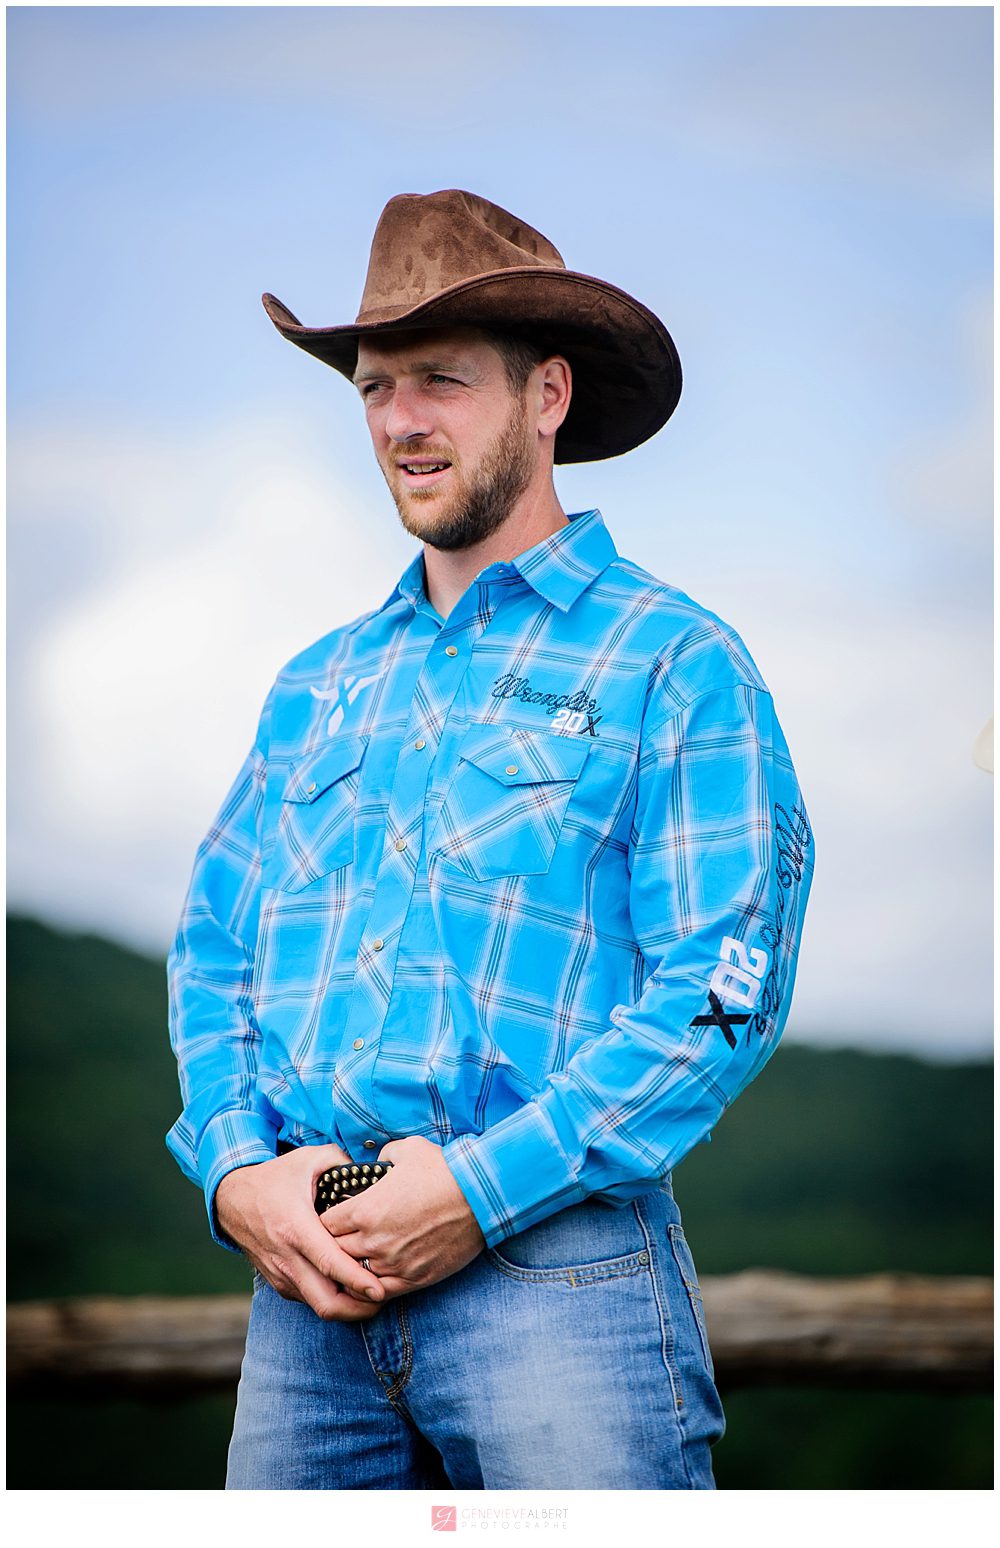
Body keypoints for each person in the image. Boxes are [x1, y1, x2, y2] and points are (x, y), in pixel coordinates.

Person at [166, 188, 815, 1491]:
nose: (401, 421)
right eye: (375, 386)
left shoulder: (673, 659)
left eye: (442, 380)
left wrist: (474, 1188)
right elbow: (214, 950)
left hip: (556, 1281)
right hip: (307, 1302)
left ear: (548, 396)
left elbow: (722, 994)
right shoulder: (319, 683)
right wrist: (236, 1170)